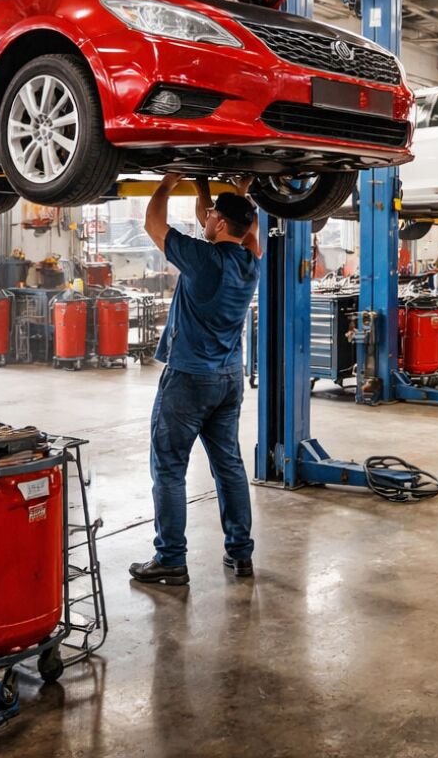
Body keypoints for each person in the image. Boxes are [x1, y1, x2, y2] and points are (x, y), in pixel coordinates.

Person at [129, 173, 262, 587]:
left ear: (220, 224)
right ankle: (240, 554)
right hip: (228, 380)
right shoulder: (250, 260)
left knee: (169, 468)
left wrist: (169, 183)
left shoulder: (203, 259)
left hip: (189, 379)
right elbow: (242, 225)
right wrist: (217, 190)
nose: (204, 217)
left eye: (211, 216)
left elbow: (154, 224)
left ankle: (170, 559)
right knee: (229, 466)